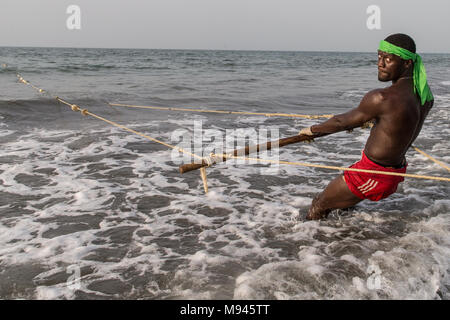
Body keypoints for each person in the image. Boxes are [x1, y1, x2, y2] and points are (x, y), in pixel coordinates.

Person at [298, 33, 434, 220]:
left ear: (407, 63)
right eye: (379, 56)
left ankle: (305, 243)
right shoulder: (425, 96)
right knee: (342, 208)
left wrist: (312, 130)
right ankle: (344, 240)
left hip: (374, 175)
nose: (380, 63)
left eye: (388, 59)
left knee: (319, 204)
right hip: (393, 172)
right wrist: (377, 120)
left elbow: (341, 122)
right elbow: (399, 123)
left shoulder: (382, 98)